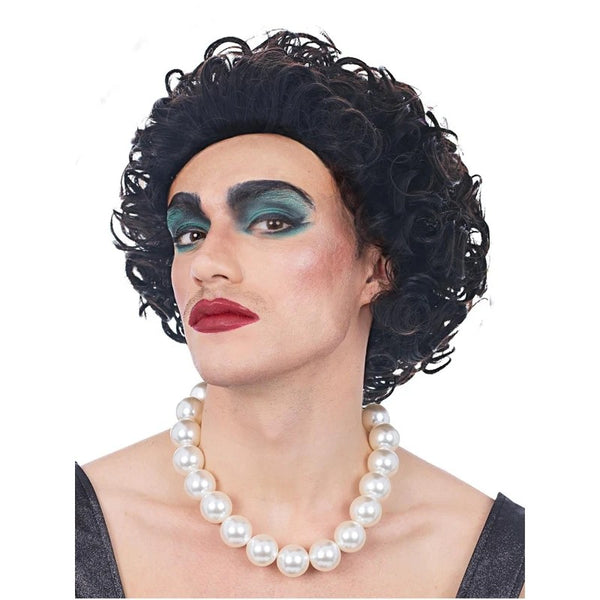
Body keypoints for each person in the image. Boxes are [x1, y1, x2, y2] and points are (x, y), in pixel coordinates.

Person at [75, 30, 524, 598]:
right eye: (189, 233)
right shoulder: (47, 538)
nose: (206, 263)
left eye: (272, 221)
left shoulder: (516, 564)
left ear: (379, 267)